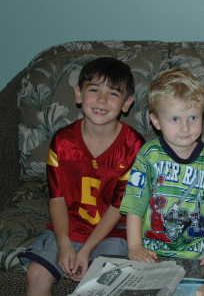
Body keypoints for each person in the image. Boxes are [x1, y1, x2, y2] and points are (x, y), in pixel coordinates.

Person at [18, 57, 146, 296]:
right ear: (78, 94)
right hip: (69, 224)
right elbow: (56, 198)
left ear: (127, 103)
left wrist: (86, 249)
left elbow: (119, 206)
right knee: (36, 274)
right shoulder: (63, 140)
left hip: (112, 230)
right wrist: (65, 242)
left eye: (113, 94)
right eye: (94, 89)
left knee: (103, 283)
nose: (101, 100)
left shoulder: (134, 145)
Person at [120, 67, 204, 275]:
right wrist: (135, 247)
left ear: (202, 113)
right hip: (151, 252)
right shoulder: (148, 155)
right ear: (156, 121)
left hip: (199, 253)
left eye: (193, 118)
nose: (185, 128)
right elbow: (134, 203)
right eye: (175, 119)